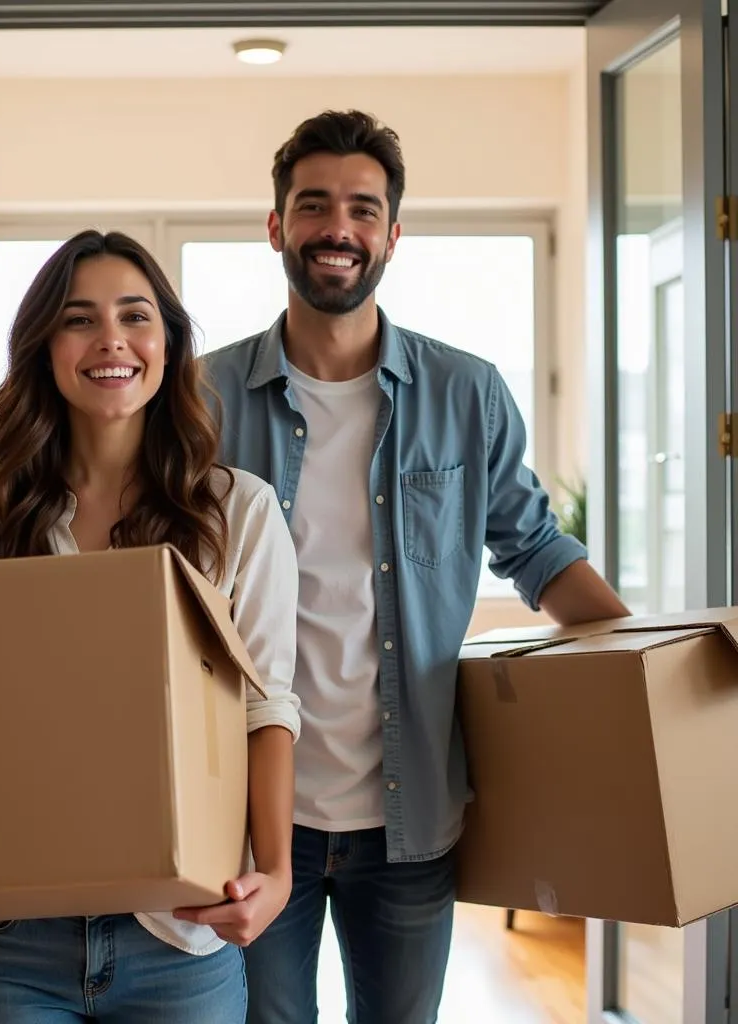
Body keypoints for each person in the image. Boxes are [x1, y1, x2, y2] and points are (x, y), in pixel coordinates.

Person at [201, 109, 631, 1024]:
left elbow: (537, 553)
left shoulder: (465, 393)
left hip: (410, 818)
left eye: (362, 208)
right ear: (276, 226)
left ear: (393, 234)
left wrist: (655, 668)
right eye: (313, 206)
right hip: (243, 819)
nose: (337, 229)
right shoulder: (202, 400)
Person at [0, 229, 302, 1024]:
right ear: (43, 346)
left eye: (135, 316)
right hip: (6, 937)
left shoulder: (240, 512)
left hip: (177, 939)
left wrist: (277, 872)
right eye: (78, 319)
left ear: (167, 342)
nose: (111, 341)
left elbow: (265, 706)